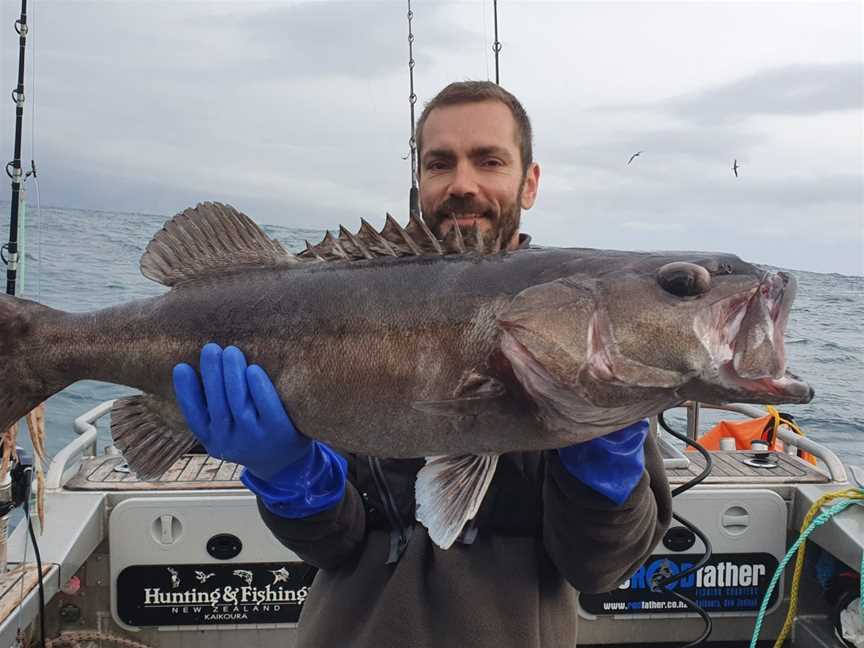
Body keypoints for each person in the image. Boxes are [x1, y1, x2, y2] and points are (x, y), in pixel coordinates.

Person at [172, 81, 673, 648]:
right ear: (420, 184)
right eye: (440, 164)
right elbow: (334, 547)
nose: (463, 184)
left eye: (489, 160)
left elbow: (598, 570)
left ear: (529, 182)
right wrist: (287, 474)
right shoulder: (354, 301)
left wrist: (602, 467)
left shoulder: (586, 338)